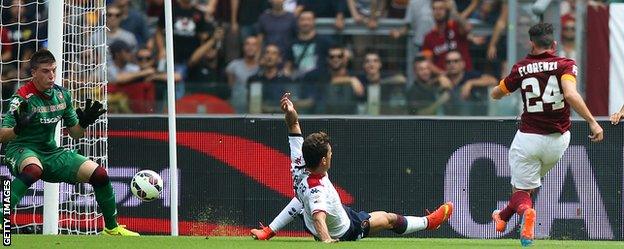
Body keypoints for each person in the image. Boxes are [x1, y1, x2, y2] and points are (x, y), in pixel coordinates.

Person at [250, 93, 454, 242]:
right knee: (388, 219)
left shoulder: (299, 161)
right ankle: (429, 222)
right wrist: (327, 240)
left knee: (302, 201)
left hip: (334, 212)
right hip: (346, 230)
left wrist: (290, 112)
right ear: (322, 161)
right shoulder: (317, 188)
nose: (332, 155)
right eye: (329, 153)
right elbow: (318, 216)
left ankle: (268, 231)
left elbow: (293, 126)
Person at [0, 50, 139, 236]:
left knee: (100, 174)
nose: (51, 76)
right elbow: (2, 135)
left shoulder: (62, 95)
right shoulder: (22, 99)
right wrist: (17, 129)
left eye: (54, 70)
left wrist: (84, 122)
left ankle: (111, 228)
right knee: (33, 169)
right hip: (20, 150)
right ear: (33, 73)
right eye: (45, 71)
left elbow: (75, 134)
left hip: (50, 152)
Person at [490, 23, 603, 247]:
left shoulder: (520, 68)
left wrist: (499, 92)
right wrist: (593, 122)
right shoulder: (566, 65)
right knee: (528, 188)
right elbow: (570, 94)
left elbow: (497, 93)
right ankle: (502, 217)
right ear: (553, 44)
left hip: (529, 139)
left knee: (521, 192)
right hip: (558, 141)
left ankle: (527, 213)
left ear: (531, 43)